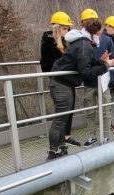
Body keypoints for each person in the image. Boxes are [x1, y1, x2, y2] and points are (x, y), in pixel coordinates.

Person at [47, 15, 114, 160]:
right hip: (62, 85)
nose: (100, 37)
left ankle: (60, 148)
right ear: (94, 34)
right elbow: (86, 73)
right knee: (60, 120)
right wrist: (106, 66)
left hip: (62, 83)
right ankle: (53, 151)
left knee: (63, 117)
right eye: (98, 34)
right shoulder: (85, 46)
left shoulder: (82, 43)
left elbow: (88, 63)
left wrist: (101, 61)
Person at [40, 12, 81, 147]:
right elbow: (47, 65)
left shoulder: (65, 41)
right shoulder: (49, 42)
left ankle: (64, 141)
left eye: (68, 28)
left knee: (67, 113)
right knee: (60, 118)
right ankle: (54, 148)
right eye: (64, 28)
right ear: (57, 28)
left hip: (68, 81)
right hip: (59, 83)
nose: (67, 31)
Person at [82, 12, 114, 147]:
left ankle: (106, 136)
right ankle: (92, 135)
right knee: (90, 110)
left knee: (105, 109)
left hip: (104, 80)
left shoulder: (106, 40)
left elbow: (113, 60)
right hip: (89, 80)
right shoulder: (82, 41)